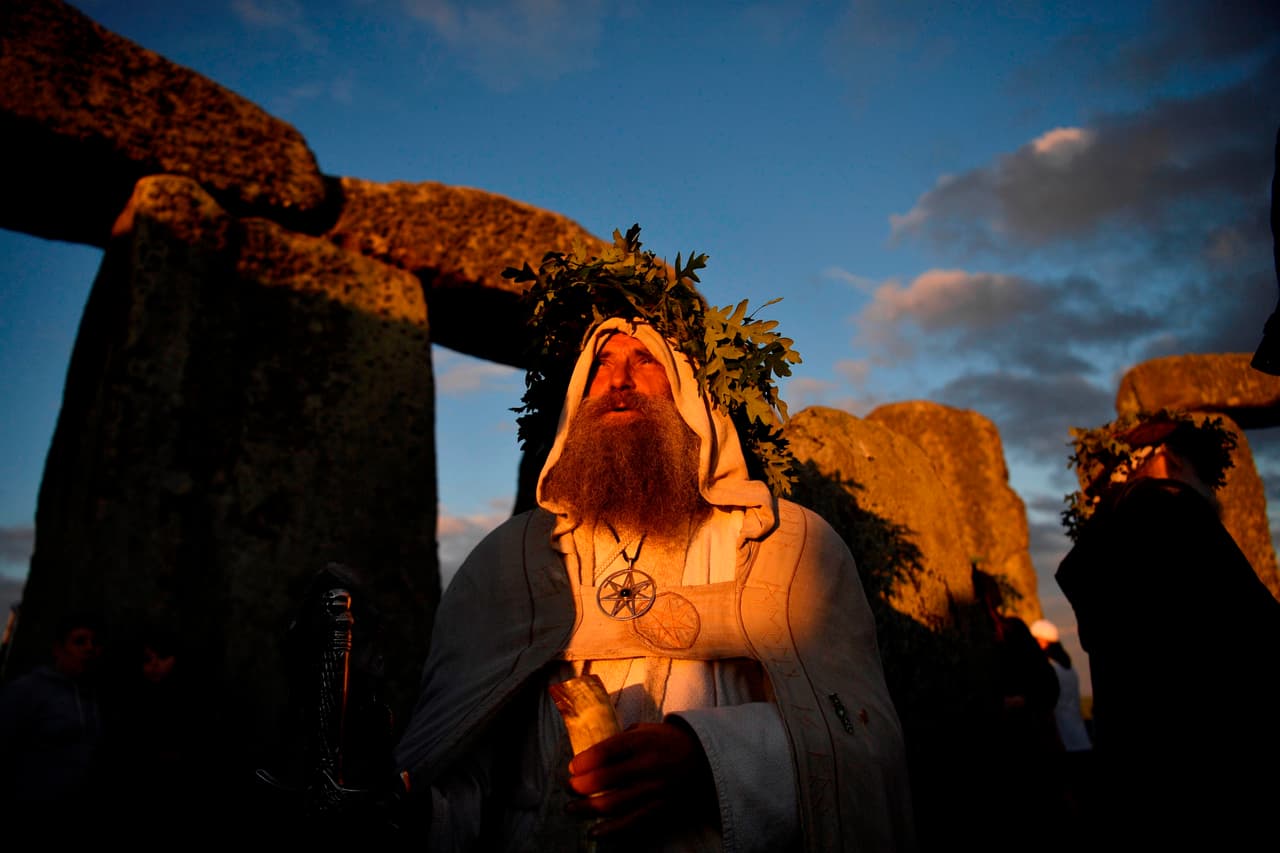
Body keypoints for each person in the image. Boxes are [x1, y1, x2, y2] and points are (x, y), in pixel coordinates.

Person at [389, 230, 917, 851]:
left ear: (694, 392)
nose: (619, 380)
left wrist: (709, 757)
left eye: (645, 361)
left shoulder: (785, 546)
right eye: (599, 366)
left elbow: (863, 740)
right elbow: (461, 766)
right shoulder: (513, 561)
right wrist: (412, 806)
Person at [1055, 409, 1280, 848]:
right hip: (1213, 764)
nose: (1209, 486)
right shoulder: (1172, 513)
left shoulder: (1107, 542)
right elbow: (1252, 630)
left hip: (1140, 772)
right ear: (1169, 461)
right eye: (1198, 468)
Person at [0, 610, 107, 823]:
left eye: (94, 643)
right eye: (79, 642)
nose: (89, 648)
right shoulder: (28, 690)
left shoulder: (94, 698)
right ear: (58, 650)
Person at [1028, 618, 1094, 835]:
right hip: (1081, 739)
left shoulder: (1049, 670)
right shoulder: (1069, 668)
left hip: (1064, 740)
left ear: (1043, 642)